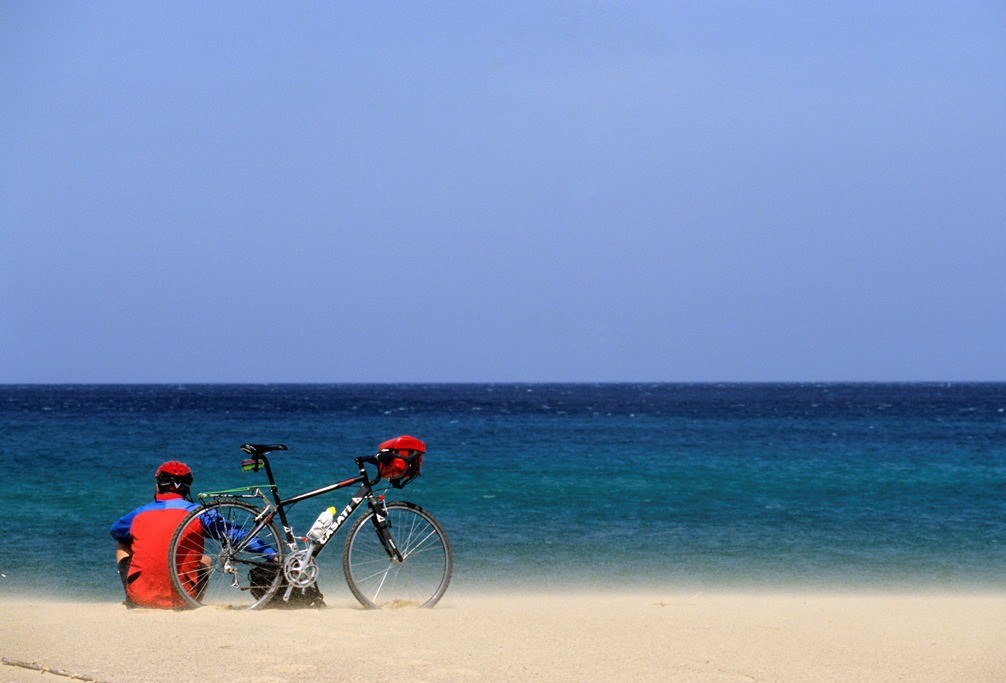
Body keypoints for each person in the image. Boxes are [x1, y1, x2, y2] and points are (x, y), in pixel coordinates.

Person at [109, 461, 200, 608]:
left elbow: (115, 531)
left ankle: (132, 597)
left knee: (123, 544)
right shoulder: (199, 513)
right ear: (187, 488)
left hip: (142, 598)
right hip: (184, 598)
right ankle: (193, 602)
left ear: (158, 486)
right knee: (206, 559)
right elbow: (233, 534)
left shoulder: (140, 513)